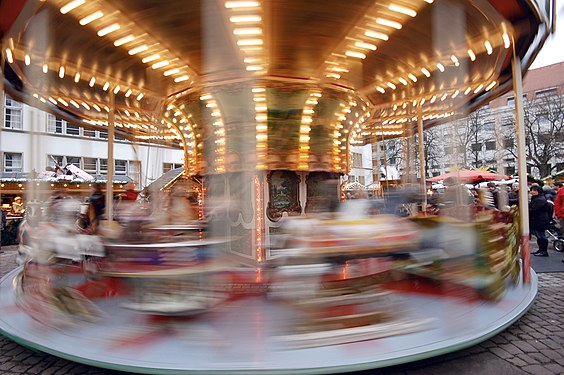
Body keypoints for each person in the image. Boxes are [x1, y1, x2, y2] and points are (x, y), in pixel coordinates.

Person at [529, 185, 552, 257]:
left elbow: (534, 210)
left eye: (533, 190)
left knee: (541, 236)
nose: (531, 192)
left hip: (540, 220)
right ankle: (541, 250)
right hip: (538, 220)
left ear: (538, 191)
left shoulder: (540, 200)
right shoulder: (537, 198)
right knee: (539, 236)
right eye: (531, 190)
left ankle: (544, 251)